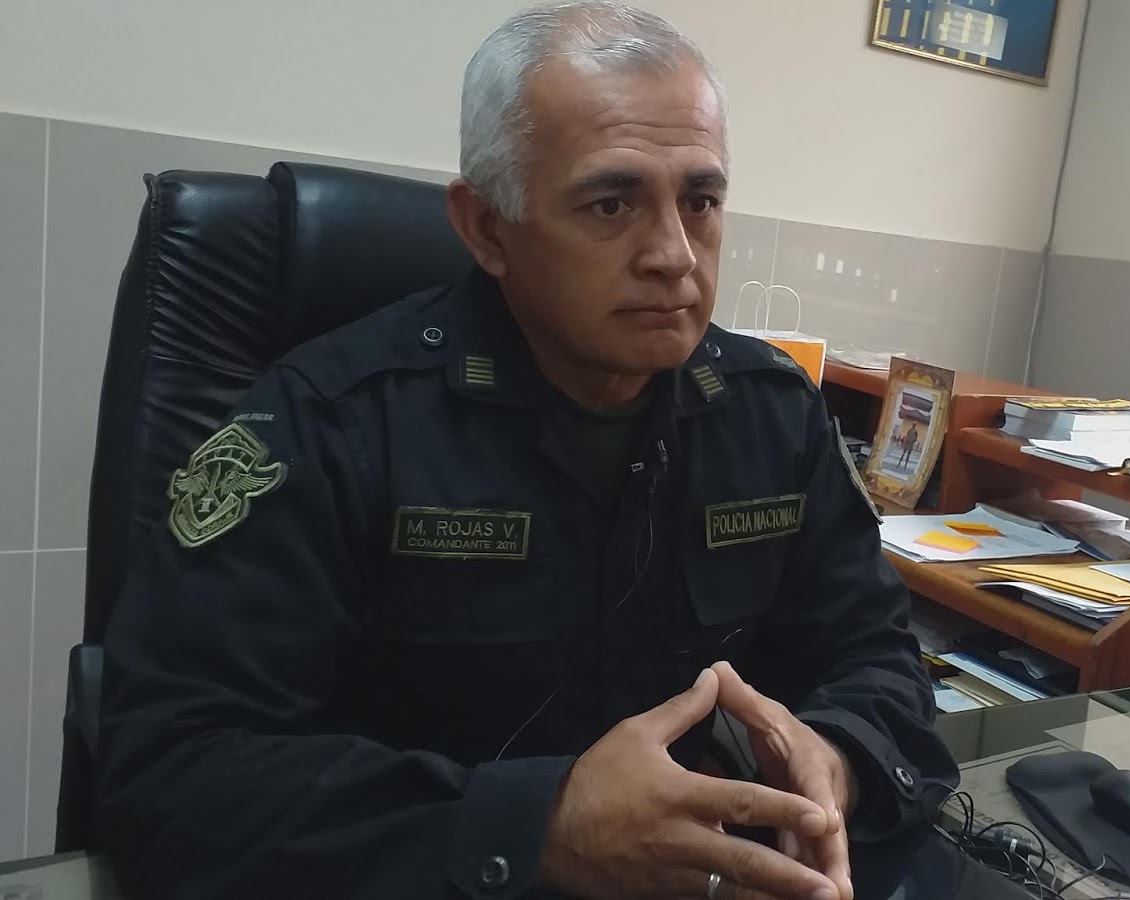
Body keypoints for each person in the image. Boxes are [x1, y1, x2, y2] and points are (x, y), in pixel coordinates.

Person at [95, 4, 957, 900]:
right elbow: (172, 772)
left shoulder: (769, 413)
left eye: (700, 202)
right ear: (485, 227)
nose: (674, 254)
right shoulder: (330, 423)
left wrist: (838, 759)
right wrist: (538, 829)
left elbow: (876, 653)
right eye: (612, 203)